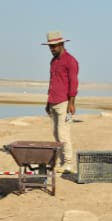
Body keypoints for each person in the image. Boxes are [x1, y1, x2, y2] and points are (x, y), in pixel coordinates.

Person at [42, 31, 79, 172]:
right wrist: (48, 103)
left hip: (64, 103)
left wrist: (71, 103)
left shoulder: (71, 61)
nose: (52, 49)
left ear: (62, 44)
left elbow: (73, 83)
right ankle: (62, 161)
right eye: (50, 47)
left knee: (63, 134)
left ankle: (68, 163)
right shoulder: (53, 61)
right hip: (53, 102)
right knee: (56, 134)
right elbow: (52, 82)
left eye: (54, 46)